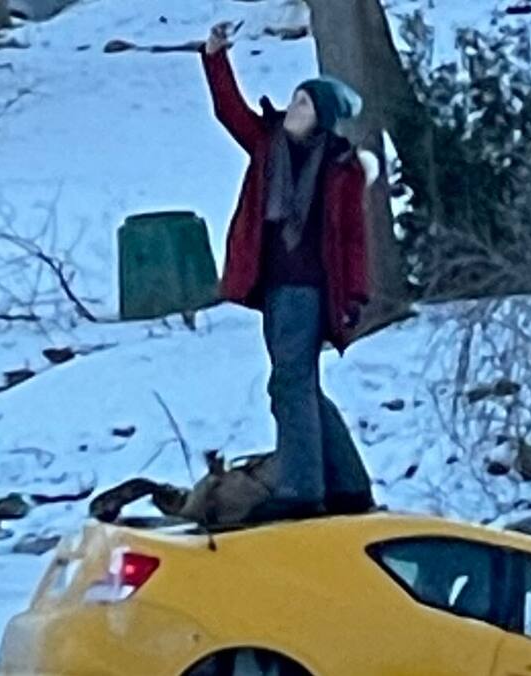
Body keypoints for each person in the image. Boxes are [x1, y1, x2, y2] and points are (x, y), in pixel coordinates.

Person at [201, 22, 378, 522]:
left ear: (321, 117)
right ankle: (348, 484)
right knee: (300, 385)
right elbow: (229, 111)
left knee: (289, 385)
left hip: (311, 289)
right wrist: (215, 57)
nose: (293, 107)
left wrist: (354, 295)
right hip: (274, 287)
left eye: (303, 102)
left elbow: (352, 237)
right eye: (296, 99)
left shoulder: (340, 167)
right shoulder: (267, 143)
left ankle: (303, 488)